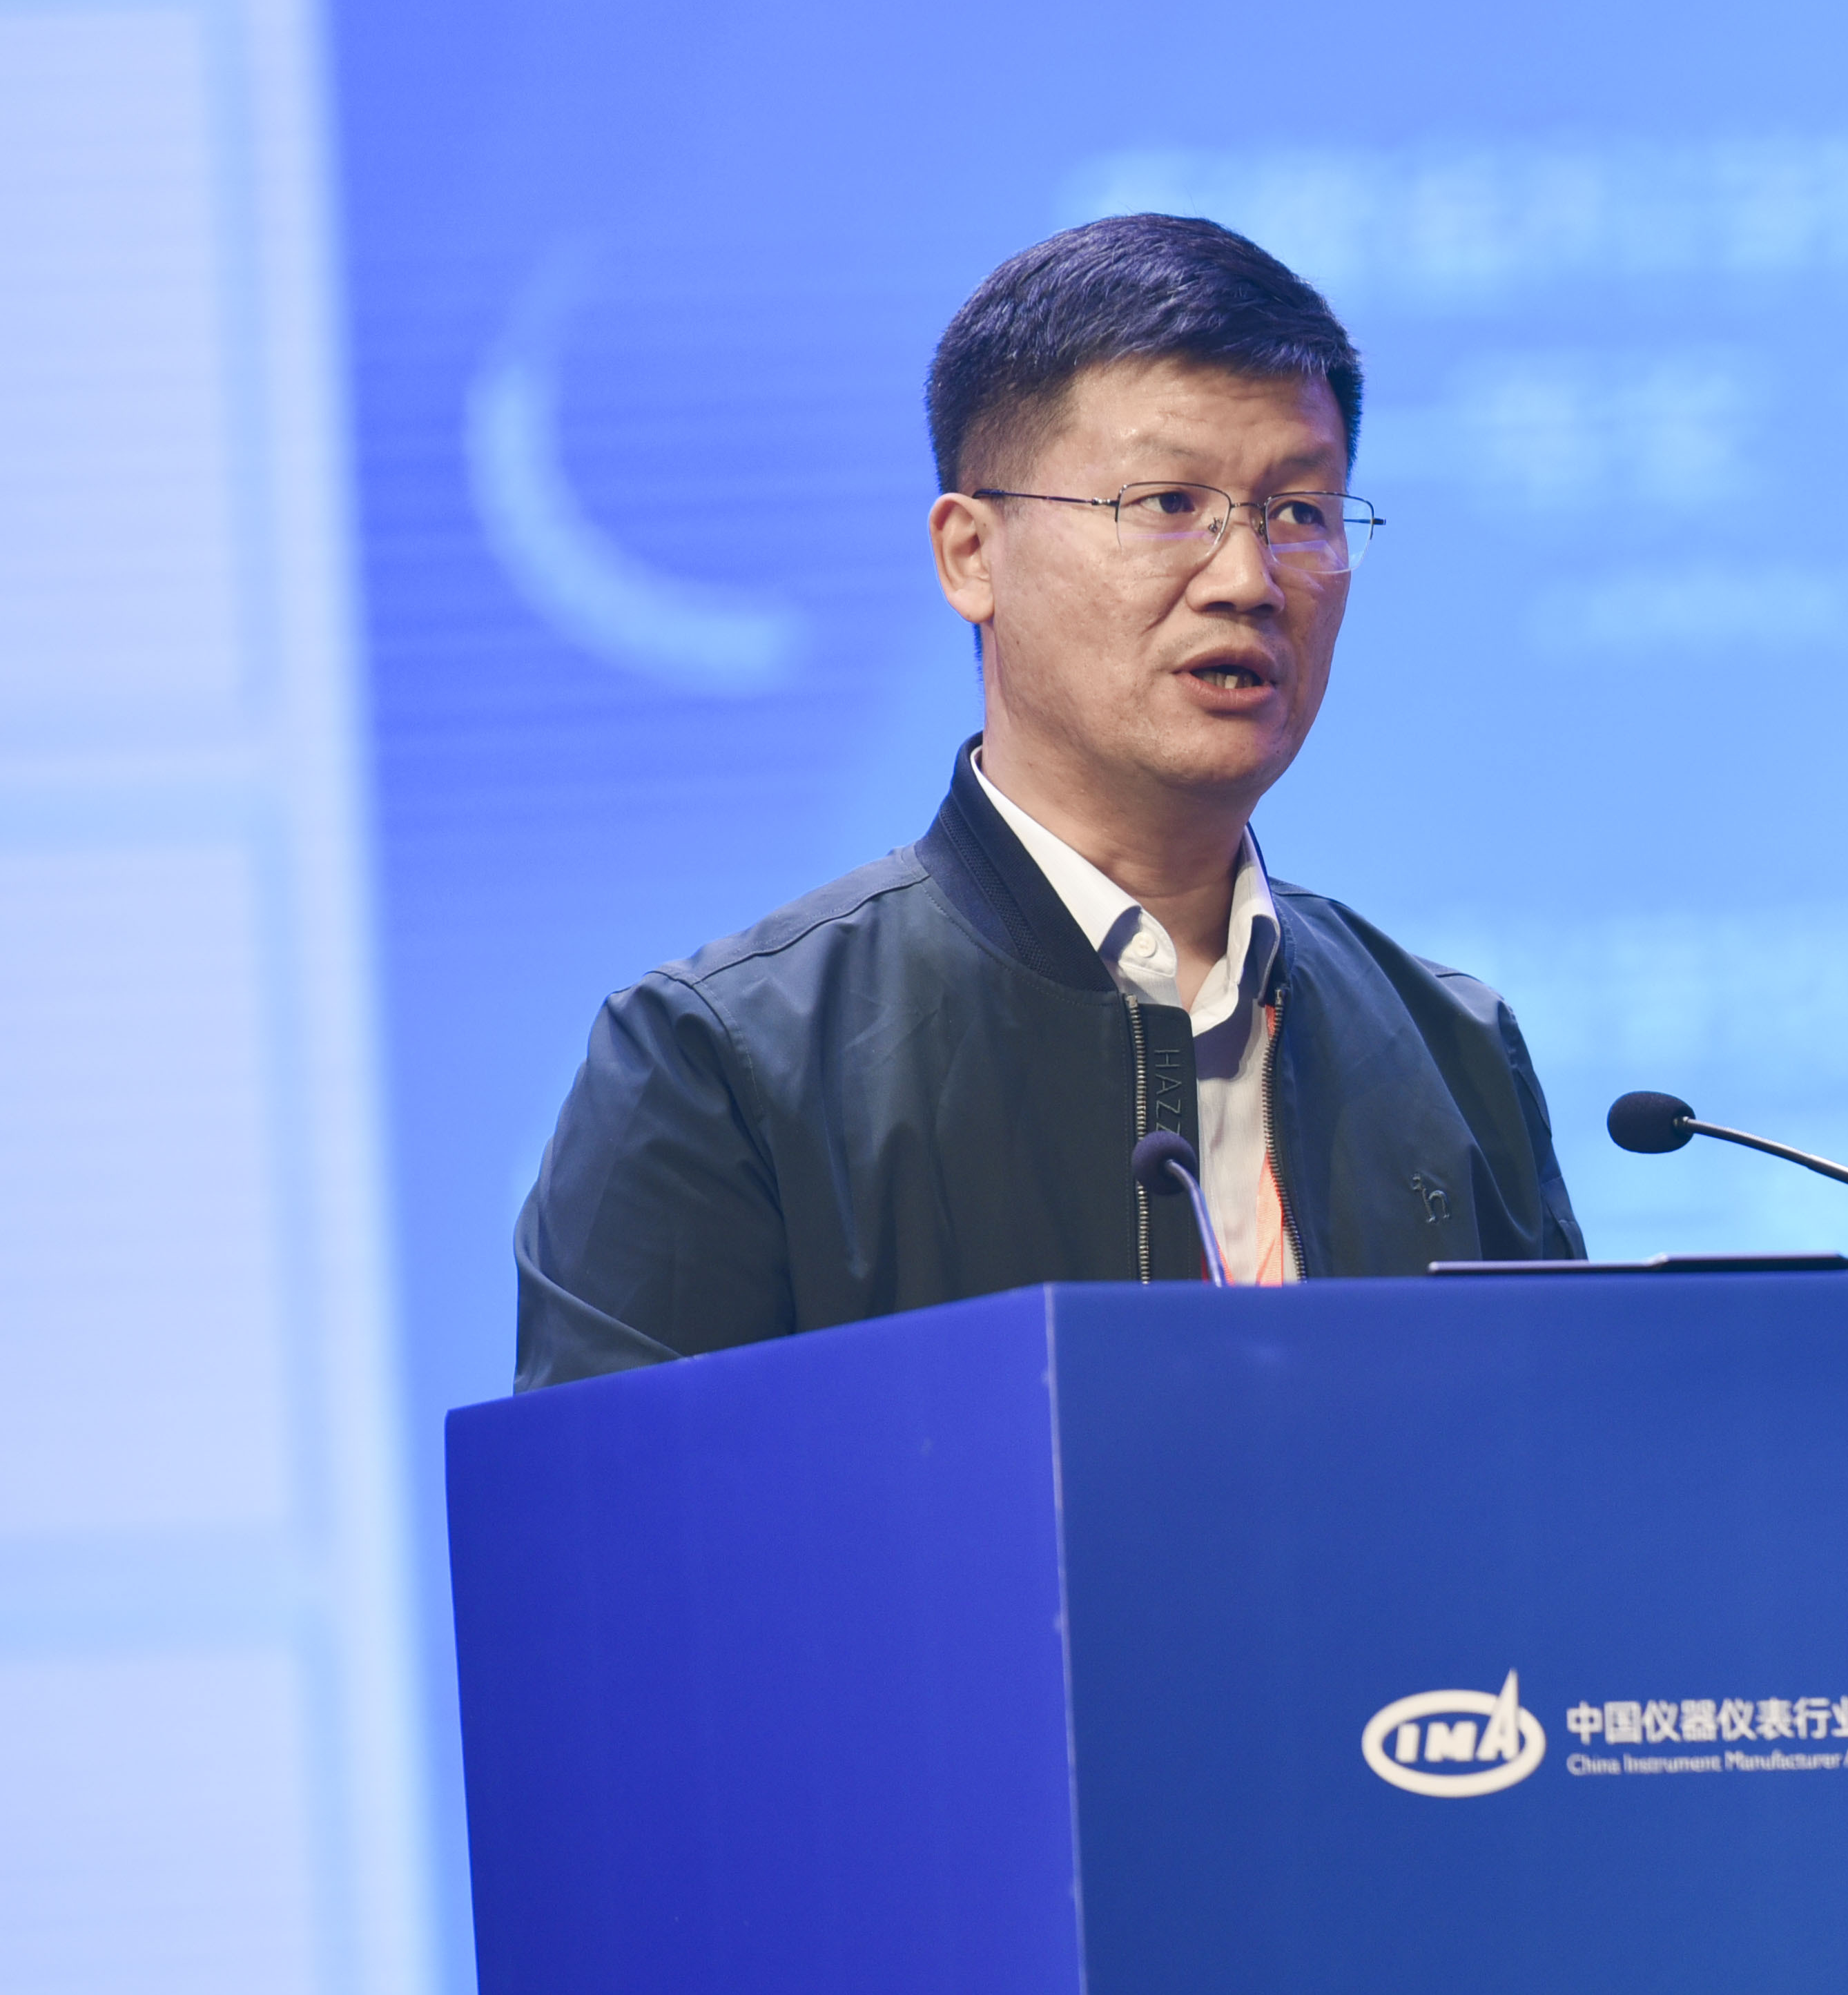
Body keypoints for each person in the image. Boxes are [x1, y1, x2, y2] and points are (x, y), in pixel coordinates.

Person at [514, 215, 1582, 1388]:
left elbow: (1566, 1478)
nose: (1248, 580)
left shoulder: (1451, 1056)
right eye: (1167, 503)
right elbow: (624, 1507)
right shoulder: (723, 1069)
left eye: (1300, 514)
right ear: (971, 555)